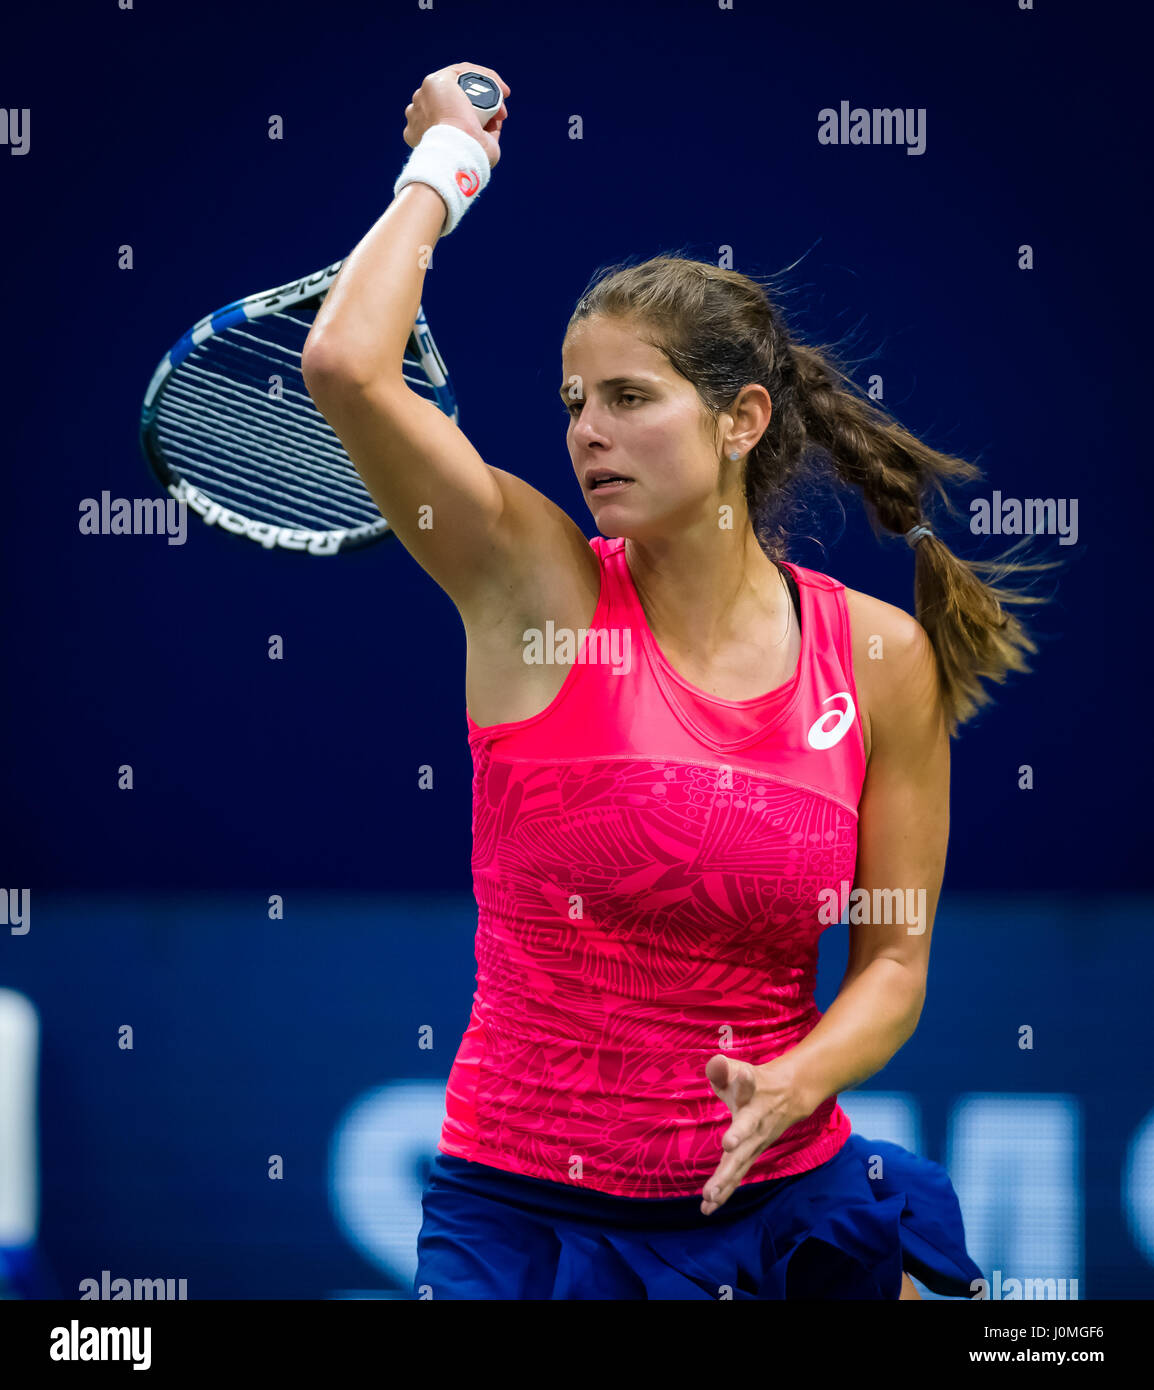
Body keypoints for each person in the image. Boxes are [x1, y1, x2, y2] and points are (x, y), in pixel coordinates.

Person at [302, 62, 1051, 1300]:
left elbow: (893, 964)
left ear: (740, 419)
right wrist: (444, 168)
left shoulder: (878, 658)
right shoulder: (532, 585)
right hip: (522, 1222)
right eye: (571, 401)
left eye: (628, 398)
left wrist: (798, 1081)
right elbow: (343, 365)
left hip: (782, 1207)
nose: (584, 430)